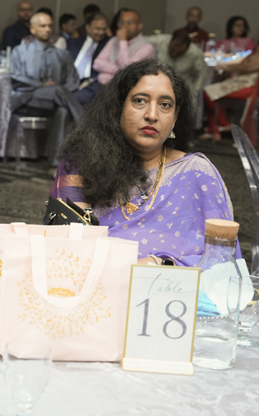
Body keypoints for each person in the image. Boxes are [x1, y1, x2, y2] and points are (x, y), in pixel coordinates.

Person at [51, 59, 235, 267]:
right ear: (118, 108)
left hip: (170, 285)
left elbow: (222, 260)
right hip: (96, 280)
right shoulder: (81, 163)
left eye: (165, 105)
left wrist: (159, 264)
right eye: (140, 101)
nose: (152, 115)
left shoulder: (197, 173)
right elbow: (69, 243)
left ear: (175, 117)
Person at [9, 12, 82, 167]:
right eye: (42, 26)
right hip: (28, 99)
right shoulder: (20, 51)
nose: (47, 29)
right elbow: (15, 77)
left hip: (56, 101)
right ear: (33, 29)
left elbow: (73, 80)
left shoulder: (62, 54)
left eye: (49, 26)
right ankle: (85, 125)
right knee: (58, 91)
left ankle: (56, 164)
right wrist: (41, 85)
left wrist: (55, 88)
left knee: (63, 109)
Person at [203, 19, 259, 145]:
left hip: (252, 87)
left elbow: (248, 67)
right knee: (213, 92)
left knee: (209, 92)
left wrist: (226, 67)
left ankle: (223, 125)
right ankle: (214, 130)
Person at [93, 8, 156, 89]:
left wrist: (122, 41)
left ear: (139, 26)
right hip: (99, 85)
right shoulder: (114, 40)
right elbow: (97, 64)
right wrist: (119, 70)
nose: (125, 26)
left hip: (122, 90)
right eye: (122, 22)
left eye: (130, 22)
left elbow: (128, 71)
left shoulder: (147, 48)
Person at [147, 30, 208, 102]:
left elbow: (202, 72)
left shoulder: (195, 53)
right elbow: (141, 42)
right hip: (157, 86)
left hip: (183, 90)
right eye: (172, 50)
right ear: (170, 41)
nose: (174, 54)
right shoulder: (160, 41)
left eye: (178, 53)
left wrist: (195, 91)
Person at [68, 12, 110, 104]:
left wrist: (90, 80)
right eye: (97, 29)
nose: (101, 32)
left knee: (74, 98)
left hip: (93, 83)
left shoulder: (109, 44)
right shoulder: (73, 42)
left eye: (104, 29)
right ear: (88, 28)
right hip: (70, 81)